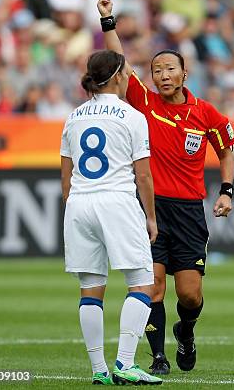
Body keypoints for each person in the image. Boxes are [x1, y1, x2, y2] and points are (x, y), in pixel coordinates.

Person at [97, 0, 234, 374]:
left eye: (169, 69)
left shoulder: (205, 112)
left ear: (184, 74)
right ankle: (158, 357)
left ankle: (186, 332)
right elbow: (120, 67)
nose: (162, 75)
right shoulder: (145, 103)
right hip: (151, 208)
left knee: (190, 295)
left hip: (190, 210)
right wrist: (108, 21)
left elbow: (225, 151)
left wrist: (226, 190)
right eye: (157, 69)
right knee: (154, 286)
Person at [60, 49, 161, 385]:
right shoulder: (132, 116)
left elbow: (66, 174)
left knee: (91, 289)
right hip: (116, 201)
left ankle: (99, 370)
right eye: (127, 72)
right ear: (118, 76)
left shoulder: (73, 116)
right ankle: (126, 363)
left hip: (78, 203)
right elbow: (143, 176)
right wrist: (151, 217)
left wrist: (74, 206)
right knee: (143, 282)